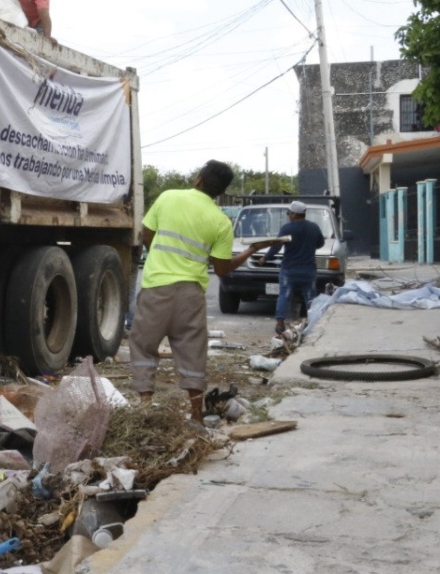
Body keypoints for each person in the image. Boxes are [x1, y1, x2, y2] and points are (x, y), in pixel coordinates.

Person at [128, 160, 279, 422]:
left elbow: (147, 234)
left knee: (143, 346)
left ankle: (144, 407)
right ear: (220, 192)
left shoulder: (168, 197)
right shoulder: (221, 222)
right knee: (192, 352)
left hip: (156, 288)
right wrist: (251, 251)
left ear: (198, 179)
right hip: (191, 295)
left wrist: (163, 257)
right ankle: (196, 416)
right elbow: (222, 269)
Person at [263, 200, 326, 336]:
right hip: (308, 269)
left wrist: (265, 258)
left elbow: (276, 246)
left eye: (289, 213)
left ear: (294, 214)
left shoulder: (287, 229)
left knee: (284, 296)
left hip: (289, 269)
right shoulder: (314, 227)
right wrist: (308, 247)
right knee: (310, 297)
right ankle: (313, 322)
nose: (288, 216)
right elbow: (320, 243)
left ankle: (280, 324)